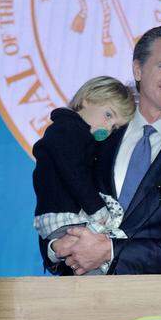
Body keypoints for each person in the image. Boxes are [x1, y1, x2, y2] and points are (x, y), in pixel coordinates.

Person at [42, 24, 161, 275]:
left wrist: (110, 250)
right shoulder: (99, 133)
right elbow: (56, 197)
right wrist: (57, 247)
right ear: (138, 69)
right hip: (79, 293)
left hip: (155, 307)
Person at [32, 76, 135, 266]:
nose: (108, 128)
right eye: (108, 115)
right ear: (87, 98)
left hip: (66, 219)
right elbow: (75, 175)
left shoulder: (80, 135)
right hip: (64, 216)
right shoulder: (67, 130)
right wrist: (98, 210)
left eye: (115, 127)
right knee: (95, 266)